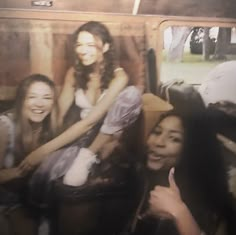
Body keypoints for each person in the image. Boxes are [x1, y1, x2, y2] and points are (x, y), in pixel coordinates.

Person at [18, 21, 142, 207]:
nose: (82, 50)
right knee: (43, 173)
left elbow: (91, 122)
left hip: (104, 138)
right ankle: (45, 217)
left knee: (133, 94)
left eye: (90, 45)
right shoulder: (74, 73)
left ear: (106, 47)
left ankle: (86, 158)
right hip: (80, 134)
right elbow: (59, 113)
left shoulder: (119, 77)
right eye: (79, 44)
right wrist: (41, 143)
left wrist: (43, 151)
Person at [128, 110, 236, 235]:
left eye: (174, 139)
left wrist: (179, 212)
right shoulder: (142, 175)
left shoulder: (208, 203)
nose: (158, 142)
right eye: (157, 132)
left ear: (192, 149)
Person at [0, 74, 56, 235]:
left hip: (25, 202)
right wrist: (23, 169)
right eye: (32, 97)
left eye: (47, 98)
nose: (39, 103)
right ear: (21, 100)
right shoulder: (4, 126)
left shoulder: (48, 129)